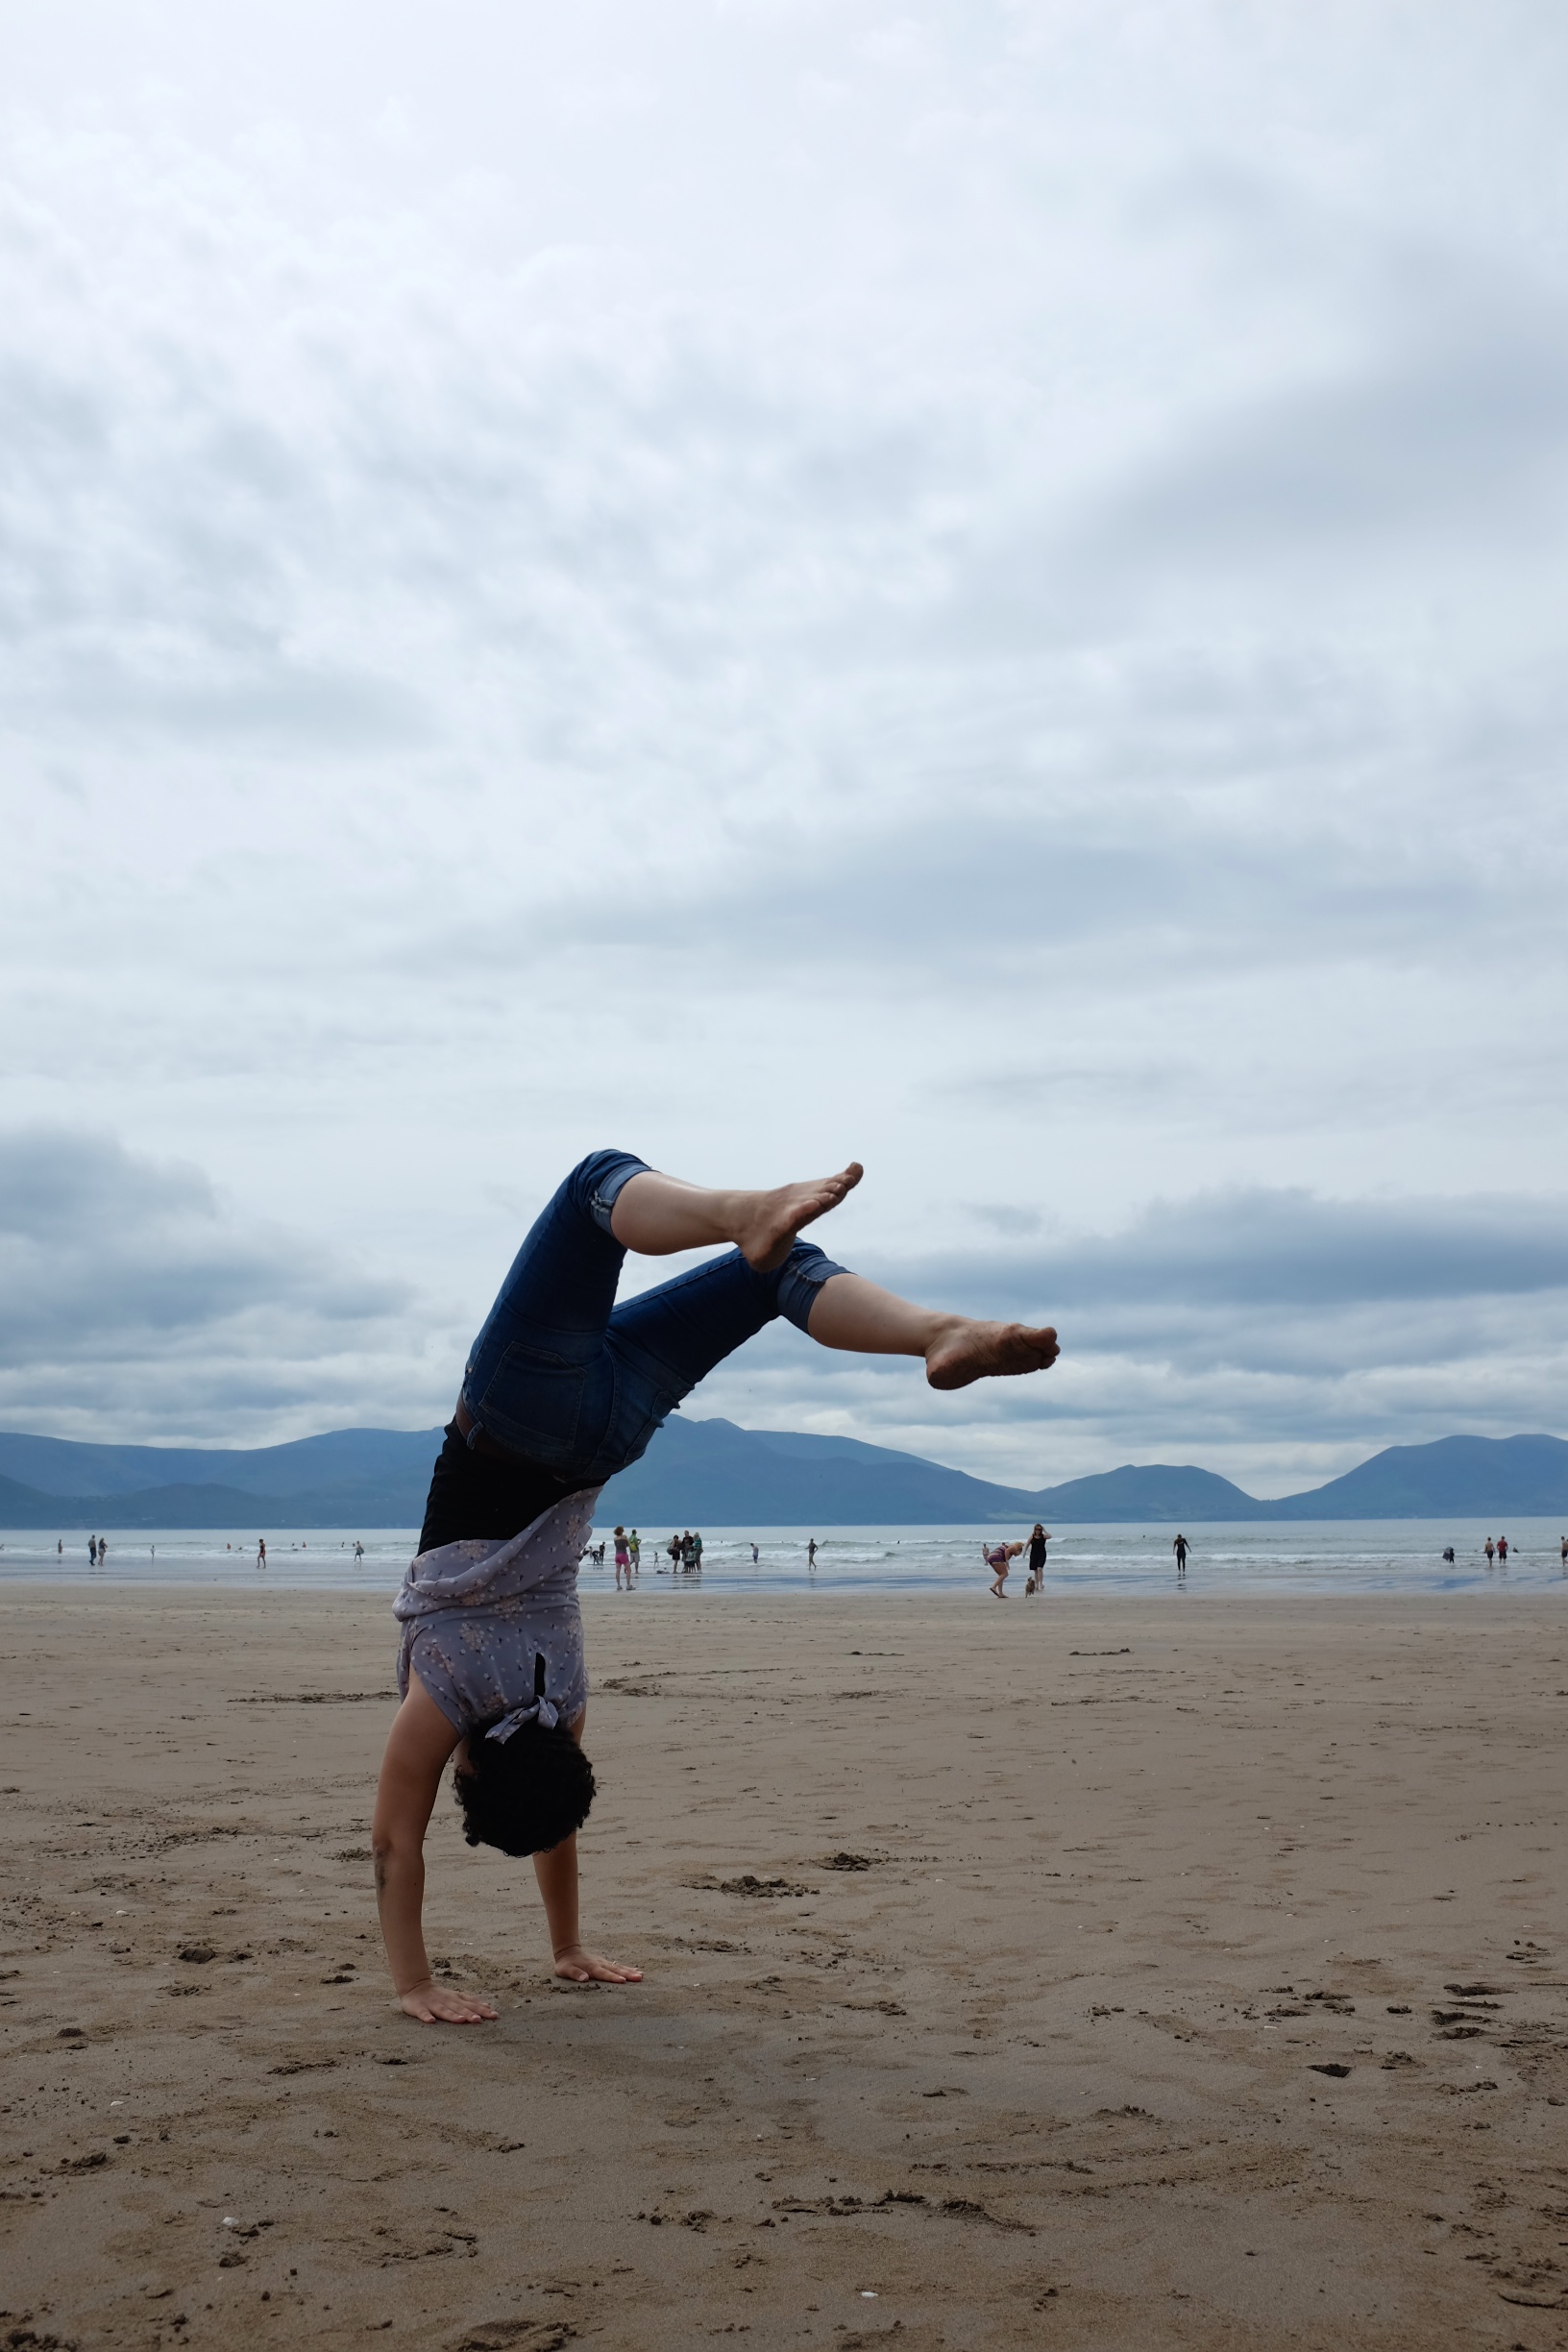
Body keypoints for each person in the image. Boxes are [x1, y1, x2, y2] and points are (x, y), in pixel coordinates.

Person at [372, 1148, 1060, 2022]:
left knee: (768, 1271)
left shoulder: (566, 1699)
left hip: (606, 1440)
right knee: (596, 1187)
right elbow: (396, 1844)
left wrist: (556, 1946)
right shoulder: (447, 1695)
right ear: (467, 1772)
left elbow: (556, 1814)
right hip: (515, 1415)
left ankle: (929, 1329)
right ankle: (822, 1261)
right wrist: (423, 1981)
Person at [1025, 1522, 1048, 1594]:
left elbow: (1050, 1536)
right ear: (1034, 1529)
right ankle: (1037, 1585)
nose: (1038, 1530)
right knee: (1035, 1570)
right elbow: (1027, 1544)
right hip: (1034, 1555)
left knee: (1039, 1569)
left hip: (1042, 1554)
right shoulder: (1032, 1536)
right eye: (1036, 1529)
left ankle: (1040, 1584)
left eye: (1039, 1529)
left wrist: (1045, 1530)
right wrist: (1024, 1552)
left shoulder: (1043, 1536)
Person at [613, 1525, 630, 1589]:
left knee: (618, 1570)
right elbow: (628, 1544)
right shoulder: (624, 1537)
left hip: (617, 1555)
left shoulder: (615, 1539)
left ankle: (618, 1585)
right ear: (621, 1531)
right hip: (623, 1554)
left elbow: (617, 1546)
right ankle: (628, 1585)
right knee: (628, 1570)